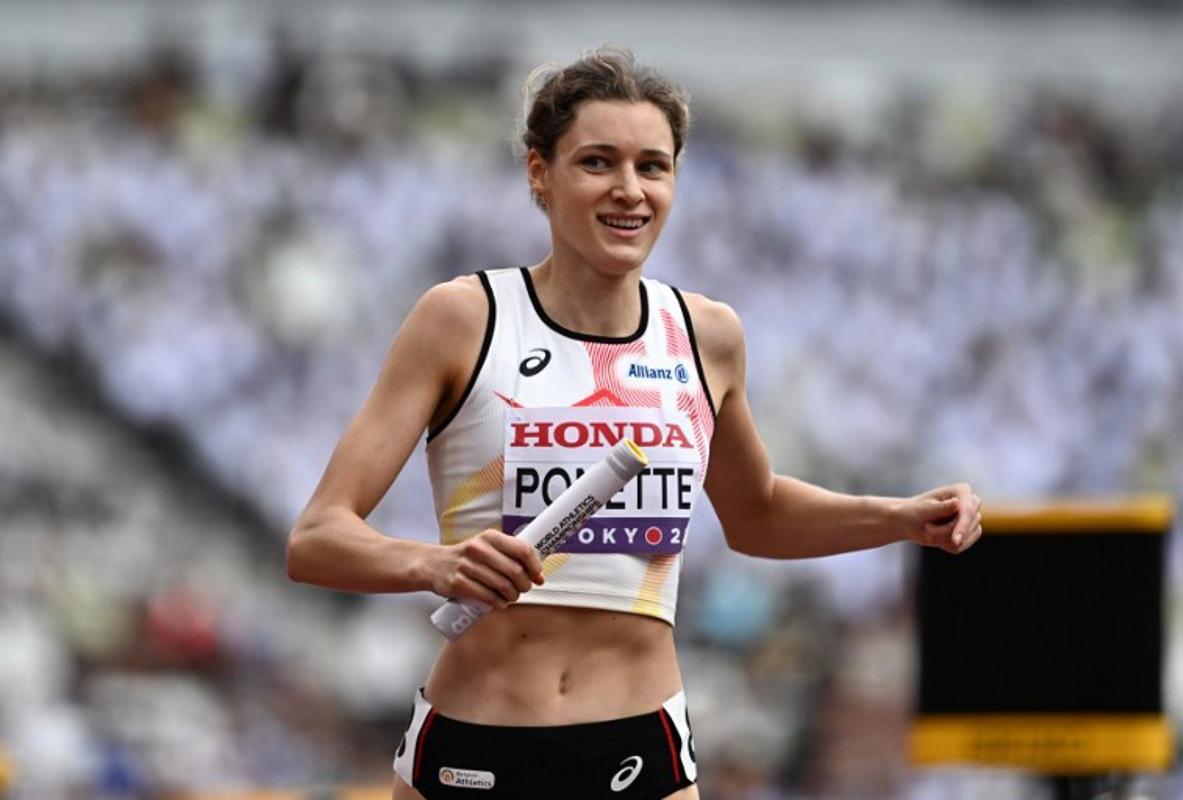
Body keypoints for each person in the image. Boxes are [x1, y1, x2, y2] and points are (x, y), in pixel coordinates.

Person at [285, 47, 983, 800]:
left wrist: (900, 517)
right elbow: (316, 539)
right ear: (539, 173)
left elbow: (757, 514)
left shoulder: (705, 336)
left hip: (637, 750)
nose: (629, 189)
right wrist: (436, 565)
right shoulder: (464, 319)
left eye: (653, 166)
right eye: (597, 162)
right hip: (474, 740)